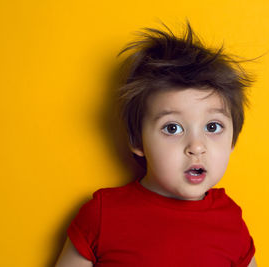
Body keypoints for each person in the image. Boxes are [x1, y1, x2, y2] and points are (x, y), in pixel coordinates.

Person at [55, 20, 257, 267]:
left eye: (212, 127)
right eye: (173, 128)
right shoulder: (102, 215)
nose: (196, 146)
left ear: (232, 140)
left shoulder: (231, 222)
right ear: (137, 140)